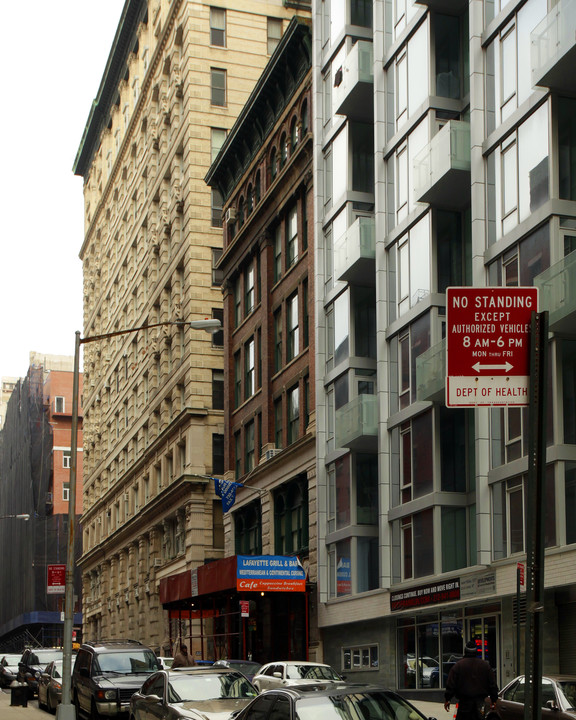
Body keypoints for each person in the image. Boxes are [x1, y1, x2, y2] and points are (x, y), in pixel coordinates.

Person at [444, 641, 499, 720]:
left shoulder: (458, 666)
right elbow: (492, 684)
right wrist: (494, 700)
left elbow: (451, 684)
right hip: (480, 703)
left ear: (465, 651)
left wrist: (447, 699)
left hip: (464, 704)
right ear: (476, 651)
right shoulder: (485, 666)